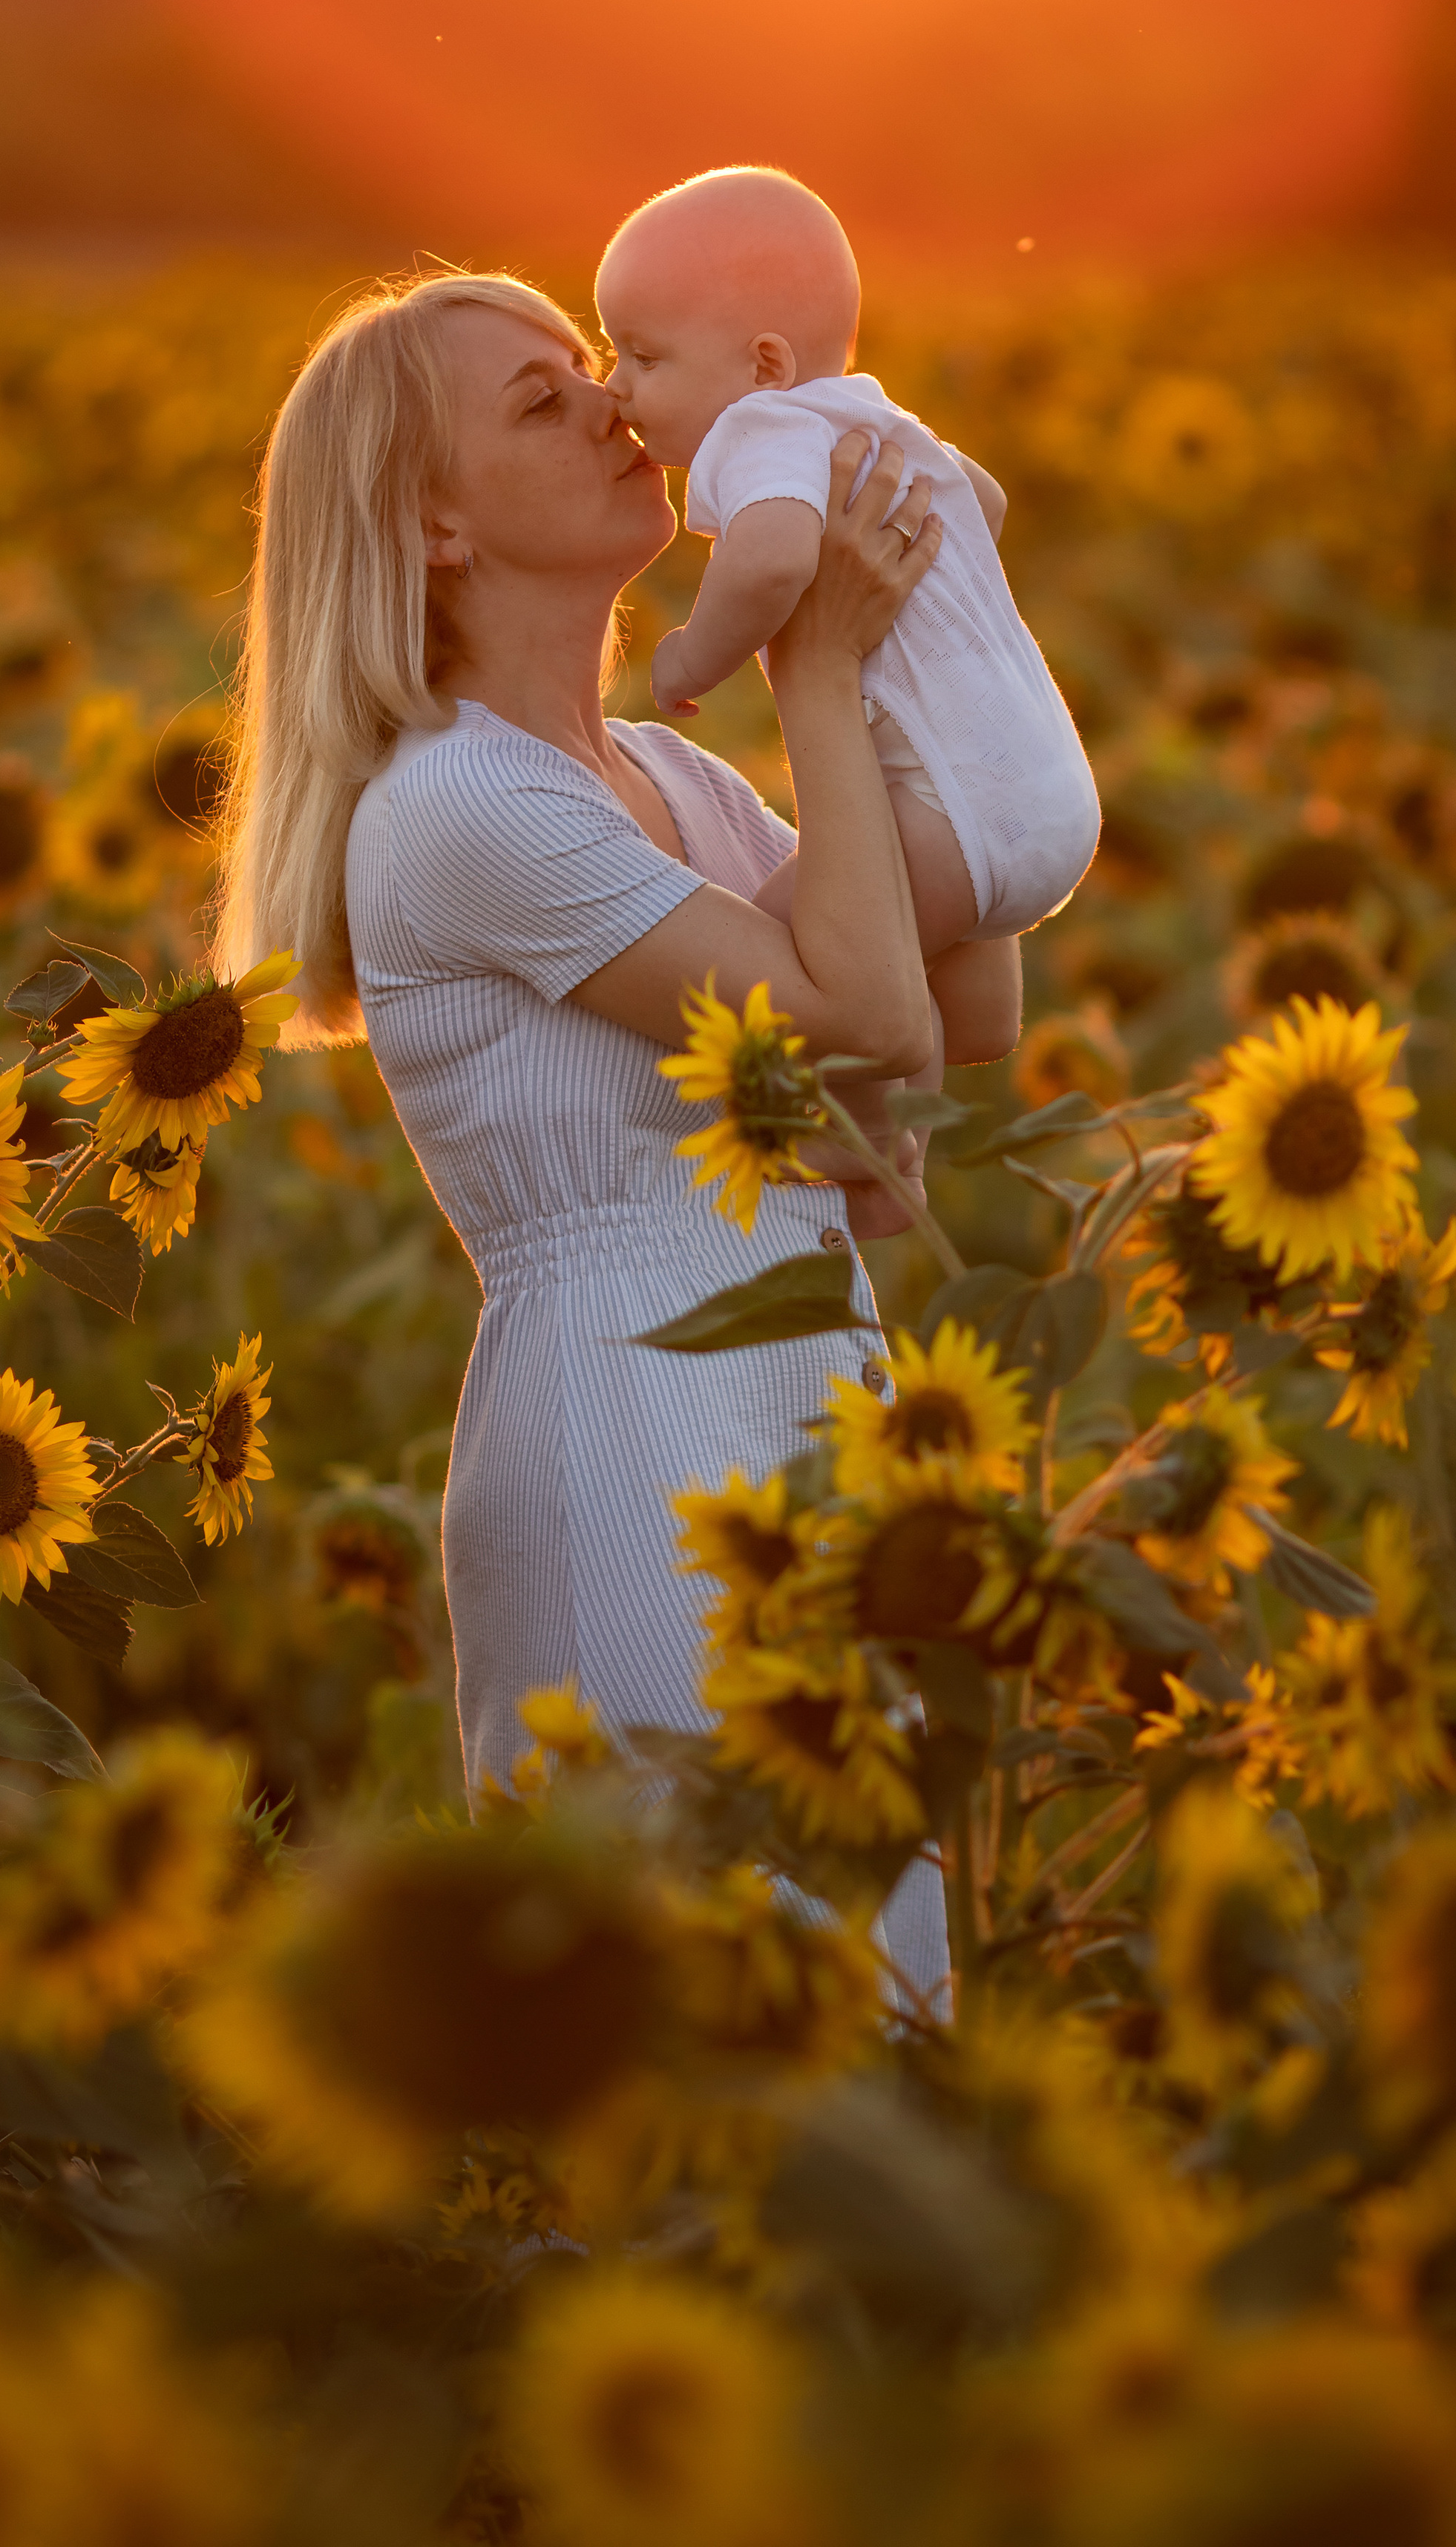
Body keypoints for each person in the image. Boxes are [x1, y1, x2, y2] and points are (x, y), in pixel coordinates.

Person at [214, 267, 974, 1999]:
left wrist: (936, 627)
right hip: (628, 1416)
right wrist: (820, 661)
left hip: (803, 1376)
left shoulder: (662, 779)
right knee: (696, 2016)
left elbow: (945, 1010)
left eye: (592, 371)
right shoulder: (459, 806)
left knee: (888, 2009)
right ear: (433, 525)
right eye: (538, 403)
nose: (613, 408)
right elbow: (856, 1015)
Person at [595, 164, 1101, 1117]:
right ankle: (905, 1106)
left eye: (643, 357)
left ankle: (871, 1161)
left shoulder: (765, 426)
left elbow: (775, 559)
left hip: (951, 813)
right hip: (1038, 785)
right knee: (964, 1020)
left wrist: (691, 656)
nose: (616, 387)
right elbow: (980, 503)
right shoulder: (880, 420)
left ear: (764, 365)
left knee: (798, 964)